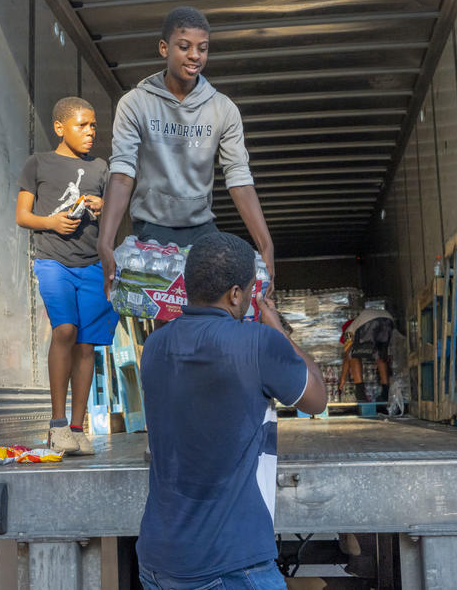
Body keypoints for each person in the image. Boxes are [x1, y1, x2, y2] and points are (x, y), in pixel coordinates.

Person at [136, 232, 327, 589]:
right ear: (236, 294)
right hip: (230, 565)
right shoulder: (257, 343)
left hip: (158, 561)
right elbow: (316, 398)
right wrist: (275, 325)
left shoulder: (155, 347)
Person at [97, 6, 275, 298]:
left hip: (201, 226)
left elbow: (239, 178)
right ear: (164, 48)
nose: (195, 56)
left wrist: (266, 246)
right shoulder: (135, 103)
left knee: (214, 308)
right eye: (185, 47)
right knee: (168, 312)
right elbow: (122, 173)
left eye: (202, 48)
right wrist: (105, 241)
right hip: (153, 227)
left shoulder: (222, 108)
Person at [15, 96, 119, 455]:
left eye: (93, 125)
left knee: (87, 345)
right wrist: (51, 222)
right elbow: (23, 216)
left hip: (92, 266)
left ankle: (78, 428)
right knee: (65, 330)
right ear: (60, 128)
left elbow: (115, 220)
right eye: (82, 125)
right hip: (53, 261)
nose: (90, 132)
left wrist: (103, 207)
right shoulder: (38, 163)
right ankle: (57, 425)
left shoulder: (102, 169)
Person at [339, 309, 394, 404]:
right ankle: (385, 392)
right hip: (388, 319)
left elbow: (348, 356)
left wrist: (342, 380)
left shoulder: (348, 331)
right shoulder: (357, 322)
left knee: (354, 355)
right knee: (380, 354)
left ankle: (360, 393)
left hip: (369, 322)